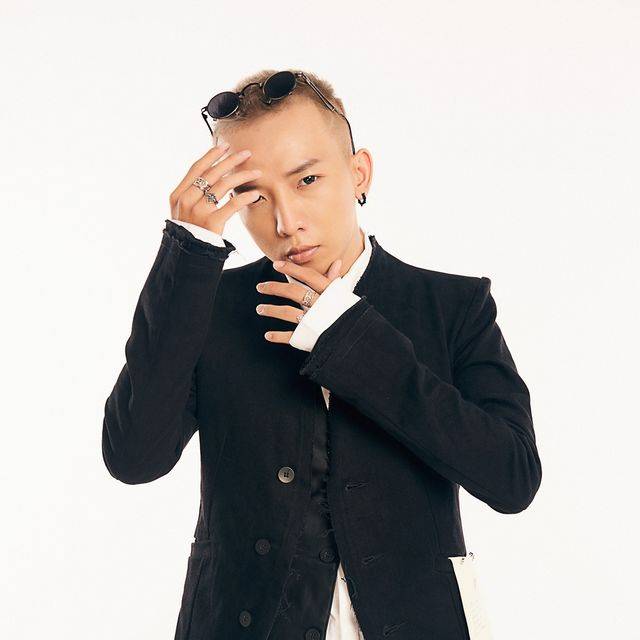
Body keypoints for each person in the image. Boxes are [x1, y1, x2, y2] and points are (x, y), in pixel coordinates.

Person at [102, 68, 542, 640]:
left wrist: (349, 336)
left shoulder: (452, 306)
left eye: (307, 180)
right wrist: (188, 253)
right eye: (254, 196)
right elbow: (134, 457)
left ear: (359, 173)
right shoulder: (206, 305)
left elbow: (512, 479)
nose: (286, 222)